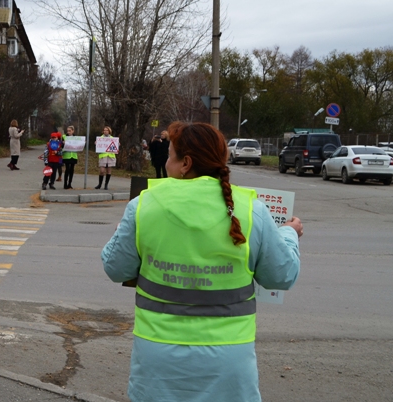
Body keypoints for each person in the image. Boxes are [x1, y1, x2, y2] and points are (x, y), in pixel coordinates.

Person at [101, 121, 302, 402]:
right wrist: (289, 235)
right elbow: (281, 276)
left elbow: (115, 267)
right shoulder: (250, 209)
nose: (165, 164)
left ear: (185, 163)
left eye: (169, 156)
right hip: (228, 360)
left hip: (158, 360)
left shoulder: (144, 205)